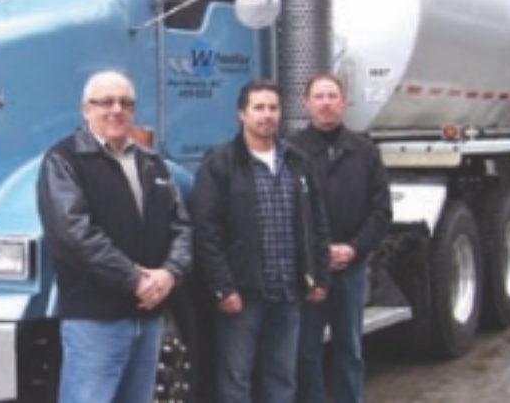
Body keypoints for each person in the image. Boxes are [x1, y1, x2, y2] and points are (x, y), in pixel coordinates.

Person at [36, 70, 192, 403]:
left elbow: (181, 226)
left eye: (125, 102)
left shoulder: (153, 164)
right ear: (85, 109)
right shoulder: (65, 161)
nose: (116, 109)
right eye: (105, 102)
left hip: (148, 318)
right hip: (95, 320)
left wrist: (170, 274)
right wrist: (134, 279)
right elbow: (75, 233)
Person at [191, 79, 330, 403]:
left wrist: (319, 275)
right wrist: (223, 288)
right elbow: (206, 231)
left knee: (282, 376)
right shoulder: (221, 164)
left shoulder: (298, 163)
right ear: (242, 114)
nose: (267, 115)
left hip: (289, 291)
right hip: (243, 295)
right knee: (236, 378)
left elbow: (317, 223)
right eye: (259, 108)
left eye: (273, 108)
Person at [293, 73, 392, 403]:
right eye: (318, 97)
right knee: (306, 352)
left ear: (344, 103)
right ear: (306, 104)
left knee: (349, 349)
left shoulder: (364, 151)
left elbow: (381, 212)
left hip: (351, 268)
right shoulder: (291, 152)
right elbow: (284, 212)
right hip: (308, 271)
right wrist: (316, 252)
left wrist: (353, 248)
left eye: (332, 96)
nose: (326, 103)